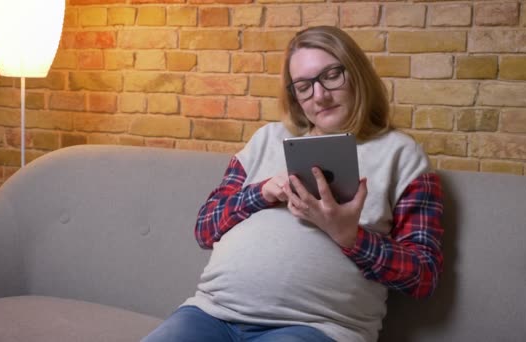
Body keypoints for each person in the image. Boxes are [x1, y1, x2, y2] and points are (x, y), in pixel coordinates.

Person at [142, 26, 444, 342]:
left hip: (315, 328)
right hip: (211, 313)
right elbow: (205, 228)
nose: (320, 95)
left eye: (331, 76)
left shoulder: (401, 154)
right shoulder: (267, 139)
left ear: (357, 74)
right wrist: (261, 193)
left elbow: (423, 276)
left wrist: (350, 237)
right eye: (304, 86)